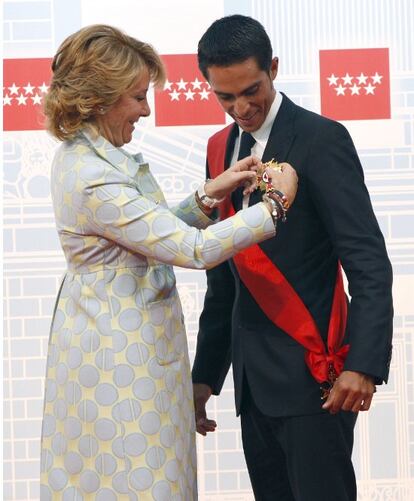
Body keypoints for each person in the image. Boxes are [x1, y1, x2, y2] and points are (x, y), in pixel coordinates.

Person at [39, 24, 298, 500]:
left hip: (128, 344)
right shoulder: (91, 175)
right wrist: (272, 210)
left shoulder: (94, 159)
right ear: (100, 99)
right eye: (137, 97)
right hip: (117, 357)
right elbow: (191, 250)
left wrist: (207, 193)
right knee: (139, 484)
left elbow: (144, 232)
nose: (146, 108)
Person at [192, 14, 393, 501]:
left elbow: (367, 260)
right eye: (225, 96)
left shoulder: (321, 138)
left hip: (315, 376)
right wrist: (204, 377)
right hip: (252, 383)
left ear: (274, 69)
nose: (241, 107)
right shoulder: (219, 149)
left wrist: (364, 364)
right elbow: (224, 279)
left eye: (251, 89)